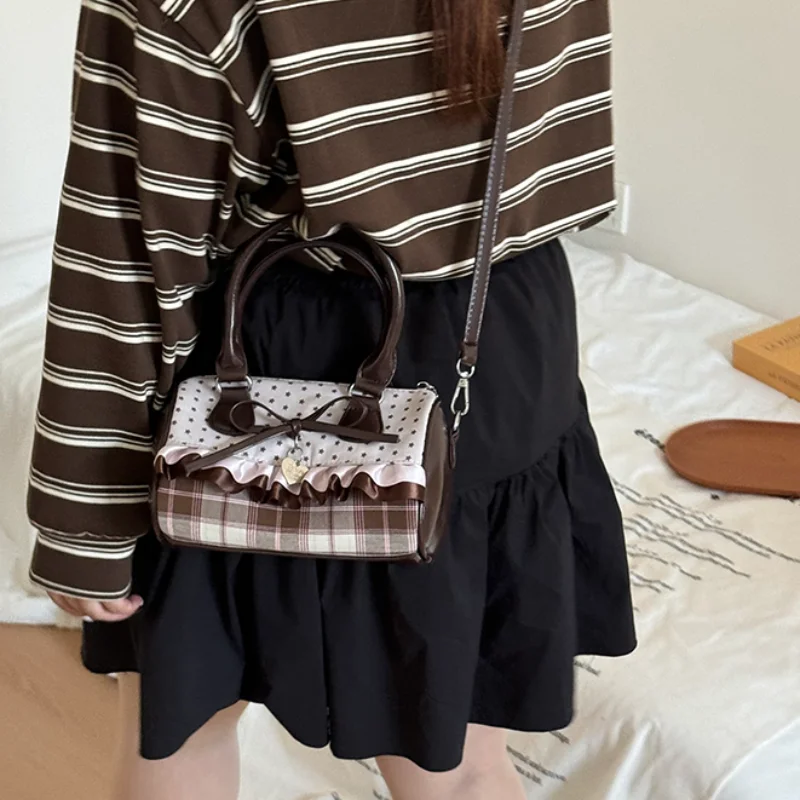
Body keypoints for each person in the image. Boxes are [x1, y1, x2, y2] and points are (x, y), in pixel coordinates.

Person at [27, 0, 636, 798]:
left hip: (280, 362)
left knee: (181, 728)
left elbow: (128, 252)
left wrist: (83, 520)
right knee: (460, 767)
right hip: (504, 339)